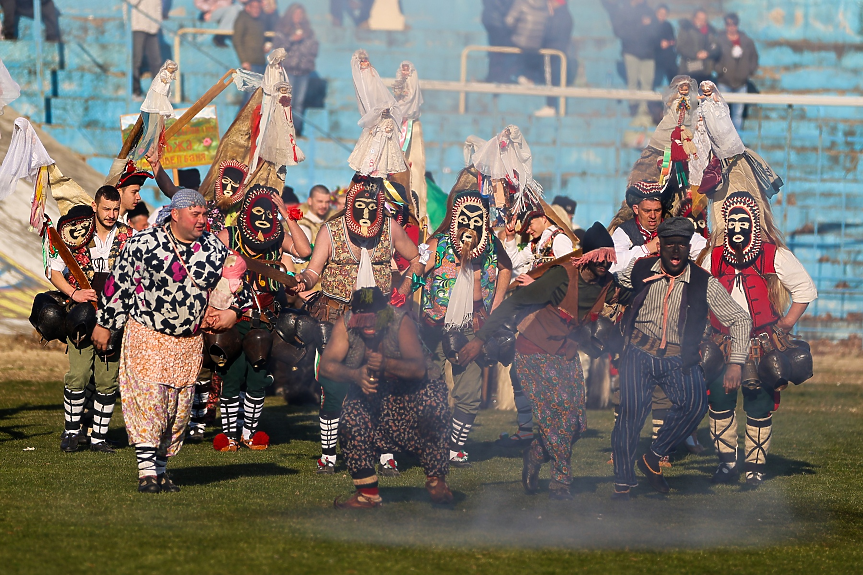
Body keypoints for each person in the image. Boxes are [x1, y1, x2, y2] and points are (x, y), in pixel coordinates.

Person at [92, 189, 253, 493]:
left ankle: (162, 472)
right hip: (147, 335)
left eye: (205, 214)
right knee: (150, 403)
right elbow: (119, 284)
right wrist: (105, 323)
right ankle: (147, 474)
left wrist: (233, 312)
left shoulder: (214, 250)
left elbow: (240, 287)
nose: (203, 219)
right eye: (196, 214)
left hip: (188, 345)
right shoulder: (143, 243)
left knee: (176, 412)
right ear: (176, 214)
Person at [459, 222, 626, 499]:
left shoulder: (608, 284)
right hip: (532, 349)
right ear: (586, 255)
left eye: (608, 261)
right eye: (599, 259)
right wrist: (480, 340)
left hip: (566, 354)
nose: (603, 266)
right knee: (553, 417)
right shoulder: (560, 276)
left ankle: (536, 454)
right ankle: (561, 482)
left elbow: (629, 295)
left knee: (576, 425)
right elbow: (514, 304)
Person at [610, 217, 751, 499]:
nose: (675, 252)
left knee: (695, 404)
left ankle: (654, 456)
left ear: (689, 248)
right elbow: (610, 277)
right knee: (631, 415)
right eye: (670, 245)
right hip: (638, 352)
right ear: (659, 245)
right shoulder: (639, 269)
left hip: (679, 357)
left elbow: (740, 319)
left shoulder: (703, 282)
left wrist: (736, 362)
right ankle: (624, 484)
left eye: (682, 246)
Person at [296, 174, 421, 475]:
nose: (366, 212)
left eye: (371, 204)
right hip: (337, 316)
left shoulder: (390, 227)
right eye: (360, 204)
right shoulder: (331, 230)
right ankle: (328, 456)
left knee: (384, 383)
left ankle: (385, 455)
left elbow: (418, 258)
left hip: (379, 319)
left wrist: (402, 292)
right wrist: (304, 279)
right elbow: (314, 270)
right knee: (333, 383)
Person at [704, 192, 816, 486]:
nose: (738, 226)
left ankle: (755, 466)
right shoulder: (712, 256)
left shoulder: (773, 254)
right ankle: (727, 465)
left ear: (754, 223)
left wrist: (787, 323)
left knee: (758, 403)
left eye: (744, 220)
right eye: (732, 220)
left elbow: (805, 289)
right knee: (719, 402)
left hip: (760, 344)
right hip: (721, 342)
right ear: (725, 223)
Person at [322, 287, 453, 508]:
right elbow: (326, 366)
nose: (369, 325)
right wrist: (355, 374)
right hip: (373, 391)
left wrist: (386, 364)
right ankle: (367, 494)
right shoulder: (345, 325)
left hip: (415, 388)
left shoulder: (400, 322)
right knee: (351, 419)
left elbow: (419, 369)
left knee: (434, 407)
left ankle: (436, 481)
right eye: (362, 319)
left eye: (374, 319)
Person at [420, 174, 513, 468]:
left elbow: (506, 268)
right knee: (428, 386)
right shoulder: (436, 242)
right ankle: (429, 442)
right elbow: (417, 270)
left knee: (469, 393)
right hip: (434, 323)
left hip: (472, 327)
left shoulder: (492, 245)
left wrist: (496, 304)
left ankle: (456, 447)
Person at [212, 184, 311, 452]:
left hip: (265, 319)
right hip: (234, 317)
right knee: (232, 375)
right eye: (258, 211)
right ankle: (229, 435)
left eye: (269, 212)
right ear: (246, 210)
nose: (264, 218)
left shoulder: (278, 237)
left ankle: (249, 434)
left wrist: (286, 215)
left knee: (257, 377)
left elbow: (304, 251)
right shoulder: (228, 236)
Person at [49, 187, 132, 454]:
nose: (111, 214)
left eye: (115, 209)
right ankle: (71, 434)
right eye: (106, 208)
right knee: (79, 374)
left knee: (108, 380)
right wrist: (75, 293)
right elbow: (53, 271)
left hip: (114, 318)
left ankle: (99, 438)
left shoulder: (129, 236)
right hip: (81, 315)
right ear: (94, 207)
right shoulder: (75, 234)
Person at [610, 181, 707, 274]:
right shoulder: (624, 231)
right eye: (647, 211)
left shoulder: (674, 228)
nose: (653, 216)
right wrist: (647, 249)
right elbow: (613, 265)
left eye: (657, 210)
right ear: (636, 209)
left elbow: (704, 252)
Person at [605, 0, 660, 116]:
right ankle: (633, 108)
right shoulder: (623, 11)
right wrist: (640, 26)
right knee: (633, 81)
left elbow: (656, 31)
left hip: (648, 53)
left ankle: (644, 108)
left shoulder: (649, 11)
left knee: (647, 82)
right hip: (630, 52)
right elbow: (618, 31)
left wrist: (648, 28)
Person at [275, 3, 318, 137]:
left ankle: (297, 129)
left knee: (299, 102)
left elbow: (314, 49)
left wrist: (305, 41)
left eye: (300, 14)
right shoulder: (282, 30)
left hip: (303, 72)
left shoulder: (308, 31)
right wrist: (291, 39)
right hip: (288, 71)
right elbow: (278, 48)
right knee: (287, 101)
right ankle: (284, 130)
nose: (298, 17)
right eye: (296, 14)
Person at [505, 208, 574, 282]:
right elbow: (512, 263)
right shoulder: (535, 243)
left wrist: (534, 283)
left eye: (530, 224)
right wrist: (510, 237)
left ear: (543, 219)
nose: (528, 231)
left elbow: (569, 273)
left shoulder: (559, 238)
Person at [715, 12, 758, 132]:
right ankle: (723, 142)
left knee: (737, 115)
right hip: (724, 82)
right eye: (728, 24)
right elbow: (714, 57)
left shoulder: (746, 41)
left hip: (741, 83)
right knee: (722, 114)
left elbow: (754, 57)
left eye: (734, 24)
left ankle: (736, 143)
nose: (731, 27)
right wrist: (719, 70)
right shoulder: (719, 40)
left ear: (737, 25)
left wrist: (749, 71)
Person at [533, 0, 572, 117]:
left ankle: (551, 106)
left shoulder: (560, 16)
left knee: (550, 77)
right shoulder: (564, 14)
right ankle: (552, 106)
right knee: (553, 77)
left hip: (552, 51)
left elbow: (552, 34)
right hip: (557, 51)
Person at [505, 0, 549, 86]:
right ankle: (528, 78)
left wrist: (515, 31)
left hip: (520, 41)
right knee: (530, 61)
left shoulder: (521, 2)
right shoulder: (545, 4)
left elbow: (509, 21)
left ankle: (512, 77)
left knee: (507, 53)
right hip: (537, 43)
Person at [130, 0, 164, 100]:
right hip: (137, 27)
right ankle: (135, 92)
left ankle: (158, 93)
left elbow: (158, 7)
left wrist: (157, 23)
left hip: (152, 28)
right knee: (137, 60)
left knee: (156, 61)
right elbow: (130, 3)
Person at [233, 0, 267, 99]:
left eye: (258, 8)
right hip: (249, 63)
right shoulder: (242, 19)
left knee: (257, 97)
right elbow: (237, 41)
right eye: (254, 7)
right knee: (250, 97)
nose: (256, 10)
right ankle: (240, 115)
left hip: (260, 61)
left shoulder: (261, 20)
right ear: (248, 8)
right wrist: (244, 61)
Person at [677, 8, 719, 85]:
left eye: (703, 19)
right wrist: (696, 54)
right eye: (699, 19)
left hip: (705, 72)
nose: (701, 21)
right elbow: (680, 47)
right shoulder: (686, 29)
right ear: (694, 18)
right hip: (688, 70)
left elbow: (716, 48)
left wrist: (707, 53)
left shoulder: (710, 32)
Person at [481, 0, 516, 84]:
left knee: (497, 49)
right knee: (498, 50)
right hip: (497, 21)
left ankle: (495, 76)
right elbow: (502, 6)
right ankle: (495, 77)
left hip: (491, 19)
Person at [654, 4, 677, 88]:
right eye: (660, 13)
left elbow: (673, 40)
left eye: (664, 13)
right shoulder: (651, 25)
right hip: (655, 59)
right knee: (655, 83)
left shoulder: (668, 25)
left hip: (669, 59)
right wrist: (659, 43)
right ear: (656, 13)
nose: (662, 15)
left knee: (675, 82)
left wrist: (668, 43)